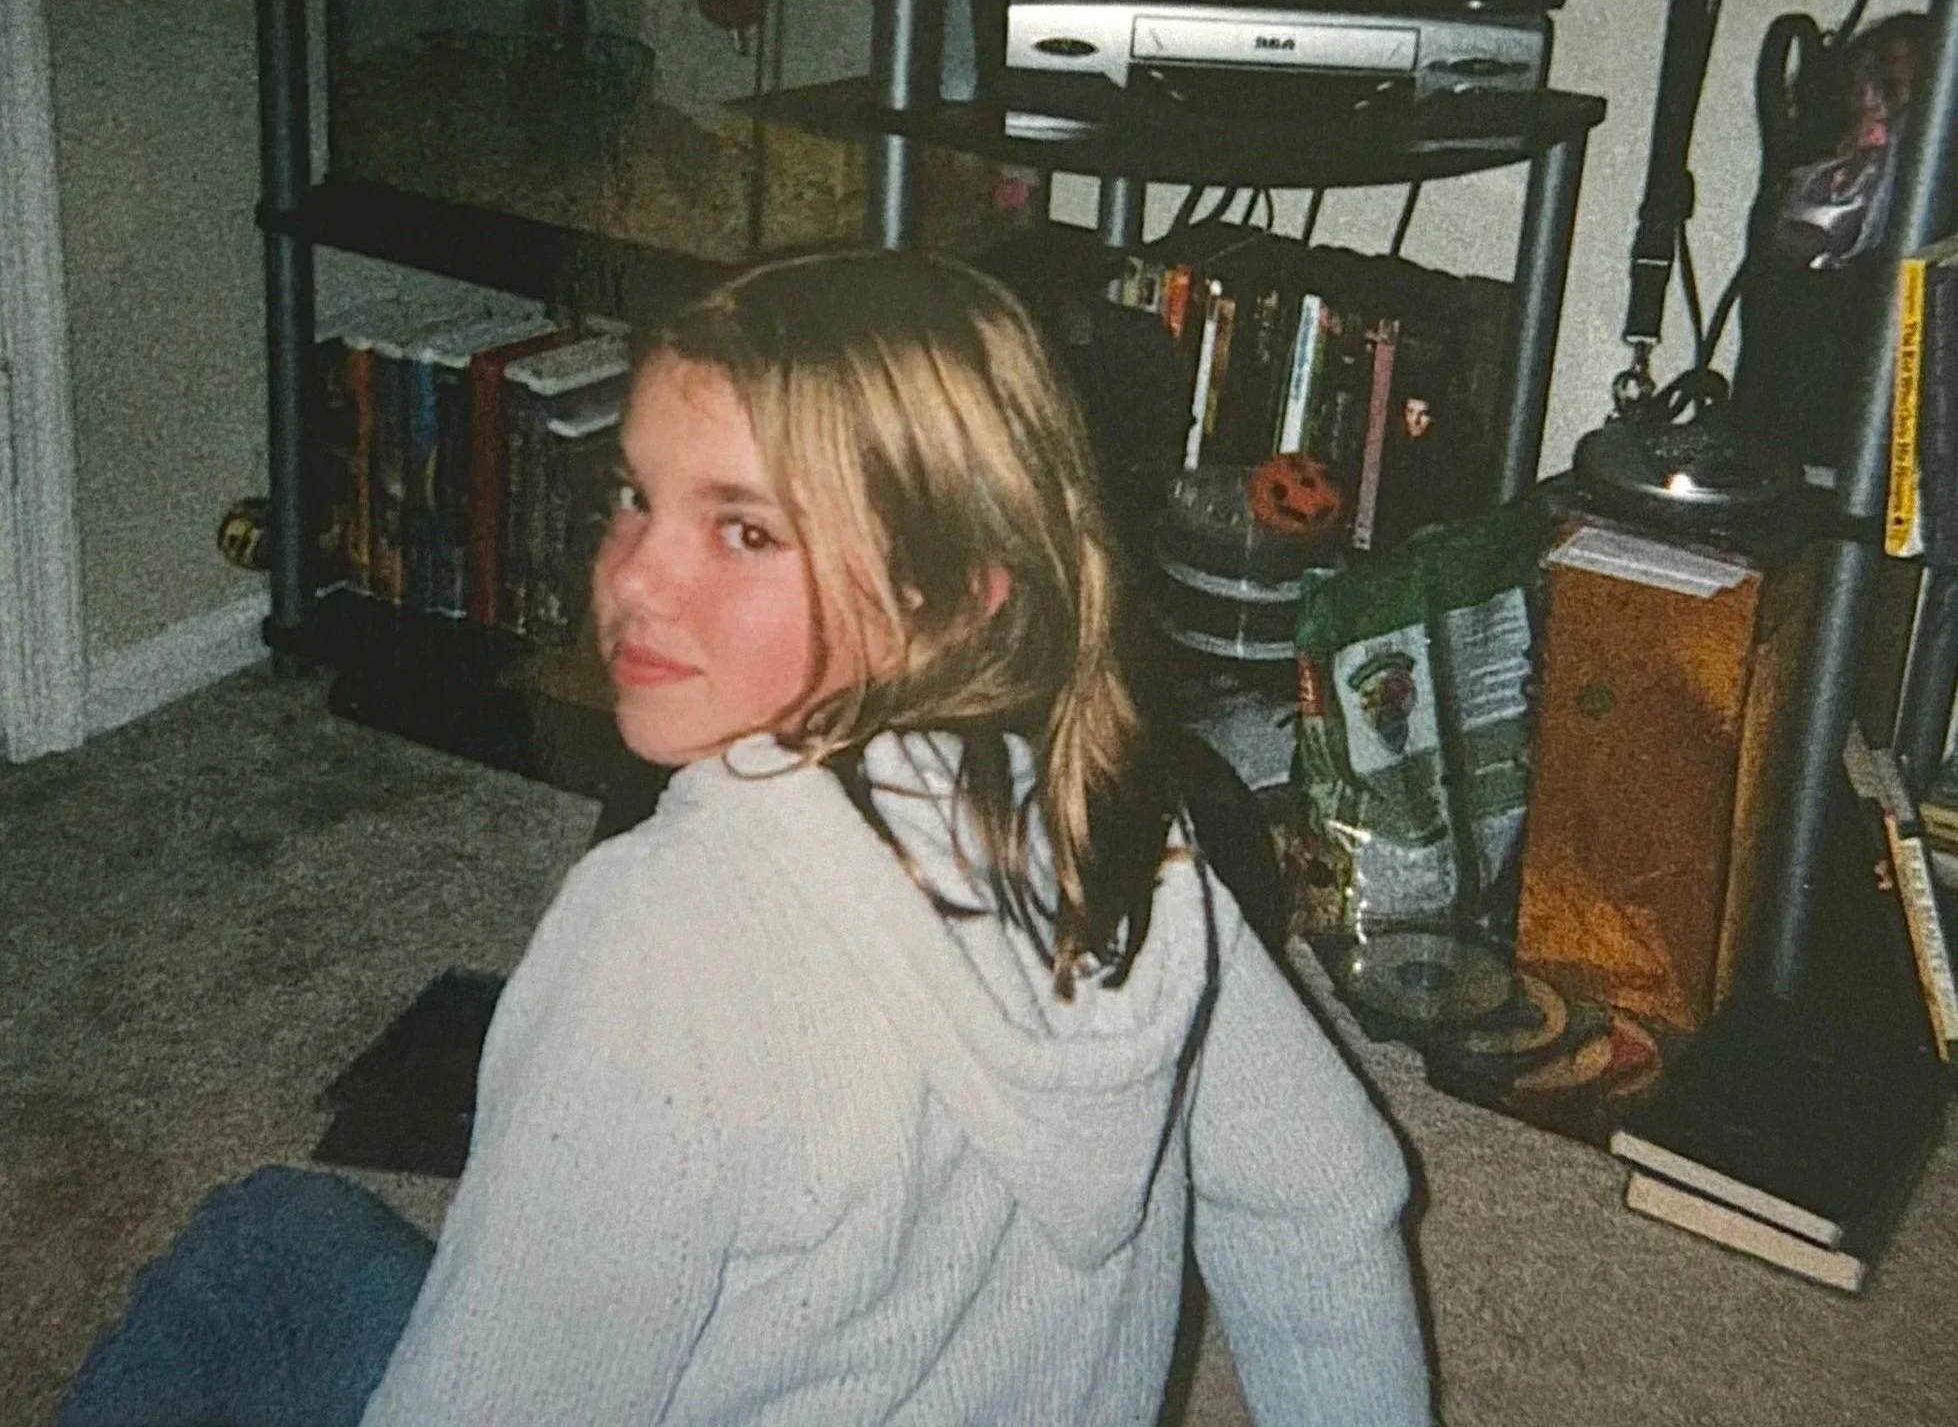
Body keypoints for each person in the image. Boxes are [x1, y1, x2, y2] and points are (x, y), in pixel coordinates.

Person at [60, 249, 1431, 1427]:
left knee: (272, 1243)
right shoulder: (1121, 830)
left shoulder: (655, 942)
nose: (636, 574)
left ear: (957, 594)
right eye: (636, 495)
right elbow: (1322, 1197)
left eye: (745, 531)